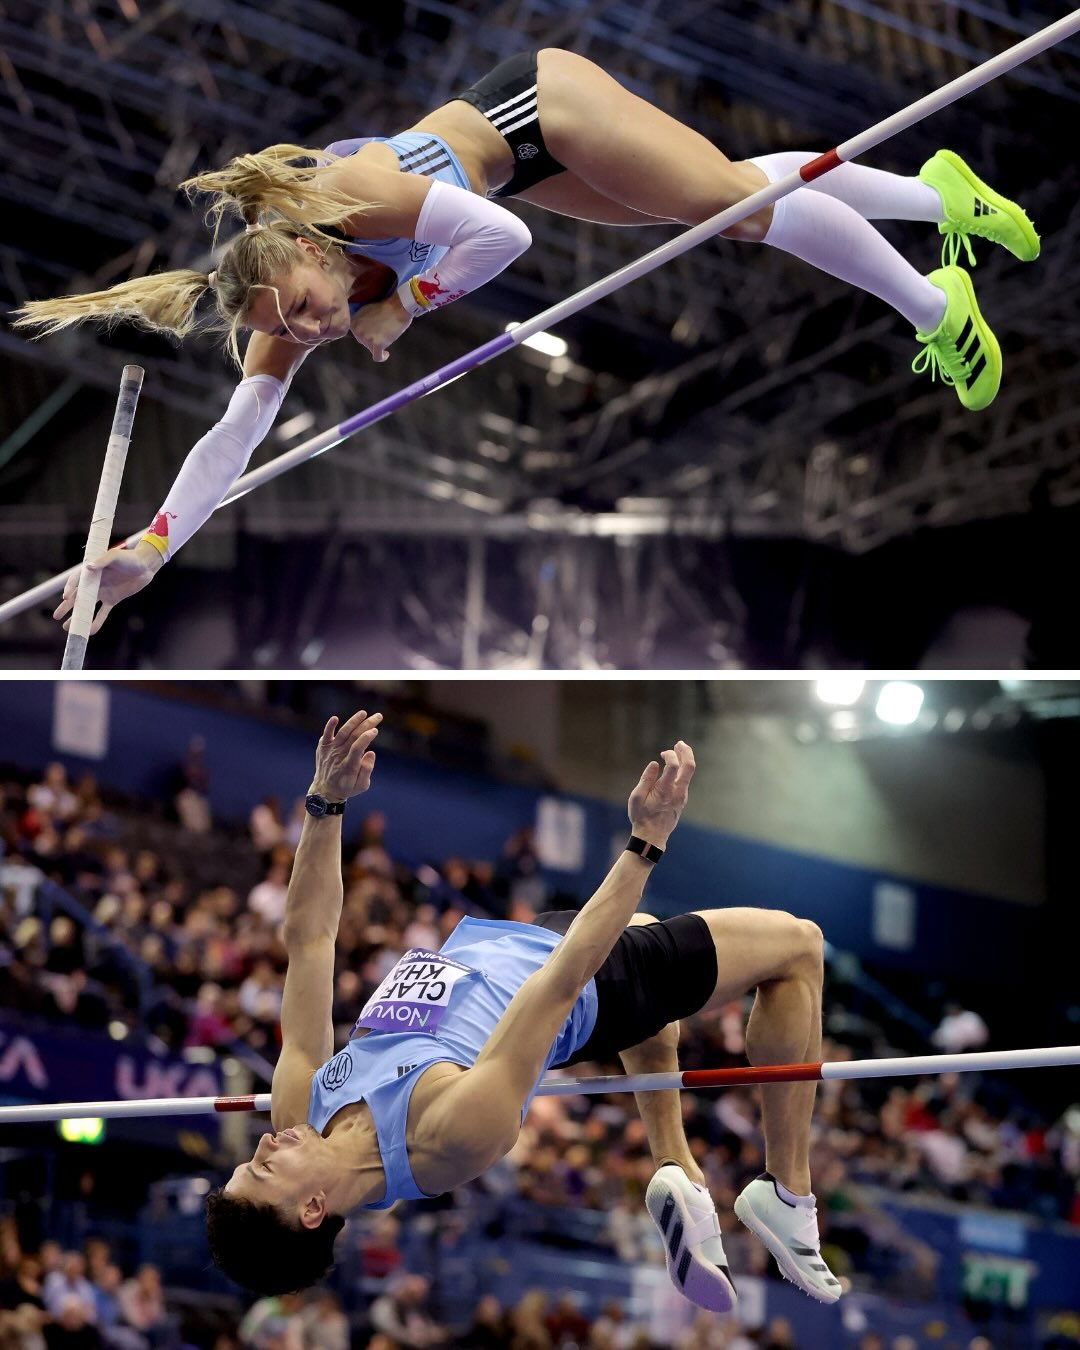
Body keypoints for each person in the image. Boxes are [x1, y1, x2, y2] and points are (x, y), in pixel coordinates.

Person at [13, 50, 1038, 636]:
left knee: (735, 209)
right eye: (291, 330)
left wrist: (406, 302)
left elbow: (504, 238)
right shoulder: (279, 313)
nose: (313, 330)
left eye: (311, 309)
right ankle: (935, 197)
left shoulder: (350, 198)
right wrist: (151, 550)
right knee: (727, 194)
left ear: (310, 249)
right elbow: (233, 438)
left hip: (541, 106)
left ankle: (934, 306)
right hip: (520, 163)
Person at [203, 709, 840, 1311]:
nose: (266, 1140)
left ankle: (678, 1170)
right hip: (595, 980)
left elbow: (311, 942)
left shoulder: (300, 1110)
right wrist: (646, 841)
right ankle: (787, 1192)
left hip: (524, 938)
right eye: (264, 1165)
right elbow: (559, 984)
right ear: (313, 1209)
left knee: (650, 961)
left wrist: (325, 802)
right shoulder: (450, 1134)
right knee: (800, 947)